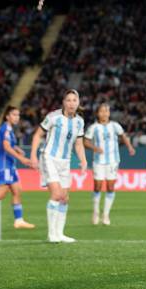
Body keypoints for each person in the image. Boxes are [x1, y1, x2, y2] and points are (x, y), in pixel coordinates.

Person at [30, 89, 87, 243]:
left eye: (74, 100)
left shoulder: (79, 122)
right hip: (49, 158)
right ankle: (51, 234)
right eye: (68, 100)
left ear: (78, 103)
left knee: (64, 198)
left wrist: (83, 160)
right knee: (56, 195)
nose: (71, 103)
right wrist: (33, 155)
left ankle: (60, 233)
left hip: (65, 161)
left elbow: (79, 143)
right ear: (63, 102)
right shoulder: (53, 117)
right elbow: (37, 135)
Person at [83, 103, 136, 225]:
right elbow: (85, 141)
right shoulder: (94, 127)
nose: (104, 113)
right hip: (99, 162)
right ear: (98, 113)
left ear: (109, 113)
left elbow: (123, 136)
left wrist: (130, 147)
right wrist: (95, 148)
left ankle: (106, 215)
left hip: (113, 161)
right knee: (97, 187)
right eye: (102, 111)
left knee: (110, 187)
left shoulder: (115, 126)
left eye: (106, 111)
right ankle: (95, 211)